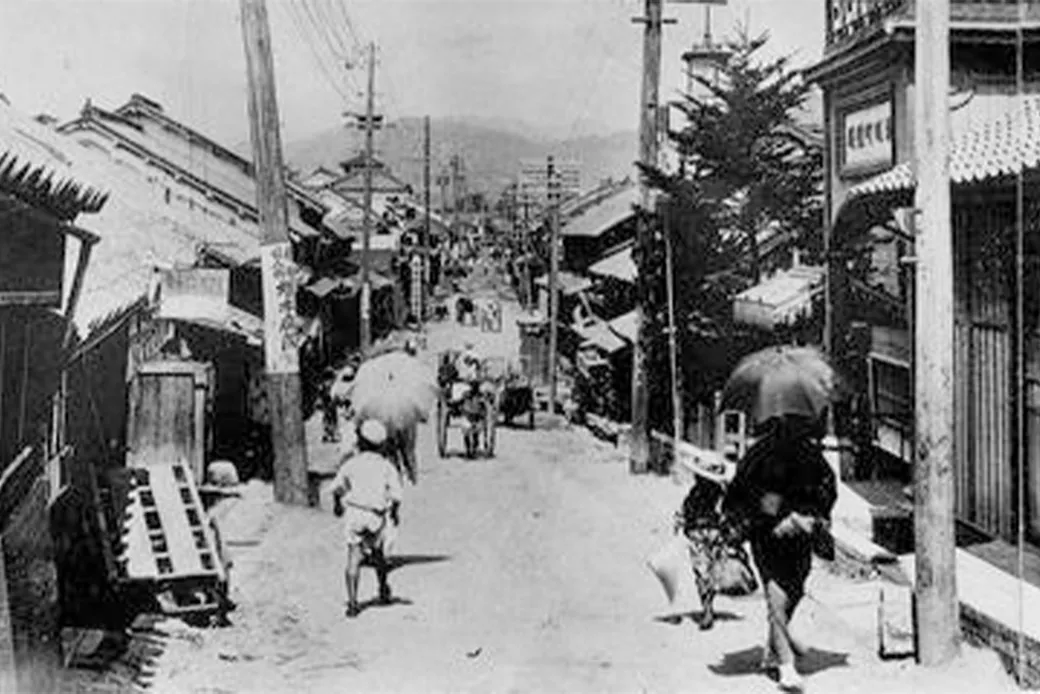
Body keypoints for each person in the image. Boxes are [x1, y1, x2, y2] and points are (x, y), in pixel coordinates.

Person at [722, 415, 837, 692]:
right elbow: (745, 492)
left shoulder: (811, 454)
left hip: (800, 537)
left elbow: (827, 489)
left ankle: (774, 647)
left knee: (795, 589)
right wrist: (782, 514)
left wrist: (812, 515)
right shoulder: (760, 453)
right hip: (767, 534)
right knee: (776, 596)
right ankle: (786, 666)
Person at [331, 419, 403, 618]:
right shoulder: (386, 466)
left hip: (354, 513)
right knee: (379, 554)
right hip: (375, 516)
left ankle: (353, 603)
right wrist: (395, 512)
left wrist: (337, 504)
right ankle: (382, 587)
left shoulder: (351, 464)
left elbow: (337, 487)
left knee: (353, 556)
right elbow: (396, 495)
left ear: (360, 442)